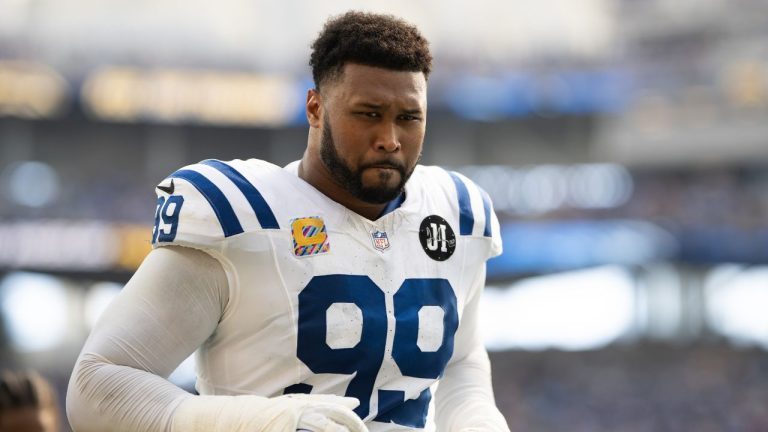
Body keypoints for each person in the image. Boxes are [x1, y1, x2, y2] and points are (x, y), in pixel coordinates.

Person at [67, 10, 510, 432]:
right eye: (368, 114)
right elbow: (98, 383)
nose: (390, 140)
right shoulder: (243, 216)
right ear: (315, 109)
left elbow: (462, 363)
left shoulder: (455, 214)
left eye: (409, 118)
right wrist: (267, 422)